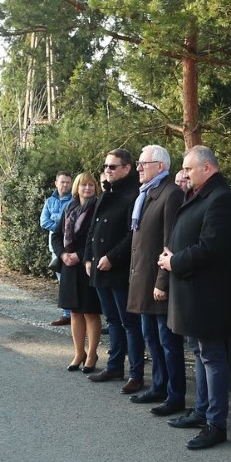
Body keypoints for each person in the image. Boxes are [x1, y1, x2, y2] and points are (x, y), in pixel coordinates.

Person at [159, 146, 231, 450]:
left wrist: (175, 261)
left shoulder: (221, 198)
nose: (184, 174)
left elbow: (211, 247)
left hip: (207, 294)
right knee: (199, 351)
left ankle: (216, 424)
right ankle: (202, 411)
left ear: (207, 168)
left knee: (212, 356)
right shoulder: (201, 194)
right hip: (191, 291)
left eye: (189, 168)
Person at [126, 145, 186, 415]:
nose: (139, 168)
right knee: (151, 337)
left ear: (160, 166)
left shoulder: (170, 194)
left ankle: (175, 395)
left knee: (167, 343)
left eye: (143, 163)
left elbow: (169, 241)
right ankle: (159, 386)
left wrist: (162, 282)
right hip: (143, 280)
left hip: (157, 282)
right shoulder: (147, 193)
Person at [85, 149, 145, 392]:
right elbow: (93, 229)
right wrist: (88, 257)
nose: (107, 170)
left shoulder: (134, 194)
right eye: (106, 166)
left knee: (129, 322)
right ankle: (115, 365)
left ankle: (136, 373)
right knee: (111, 320)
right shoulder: (107, 192)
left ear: (126, 169)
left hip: (119, 269)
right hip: (100, 268)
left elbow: (133, 235)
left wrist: (112, 257)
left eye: (112, 166)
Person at [57, 172, 104, 372]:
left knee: (90, 312)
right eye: (84, 185)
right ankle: (79, 353)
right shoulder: (69, 208)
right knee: (75, 312)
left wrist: (79, 255)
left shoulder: (98, 207)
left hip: (87, 266)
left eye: (91, 185)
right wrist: (62, 255)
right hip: (68, 266)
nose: (87, 188)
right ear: (77, 187)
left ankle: (92, 354)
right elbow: (56, 236)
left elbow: (97, 238)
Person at [41, 172, 74, 326]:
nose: (65, 185)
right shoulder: (49, 201)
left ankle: (75, 314)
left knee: (70, 281)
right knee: (62, 281)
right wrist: (61, 228)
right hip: (56, 248)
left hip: (71, 247)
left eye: (68, 182)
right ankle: (67, 314)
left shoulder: (74, 201)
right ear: (56, 183)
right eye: (62, 182)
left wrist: (58, 226)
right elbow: (43, 221)